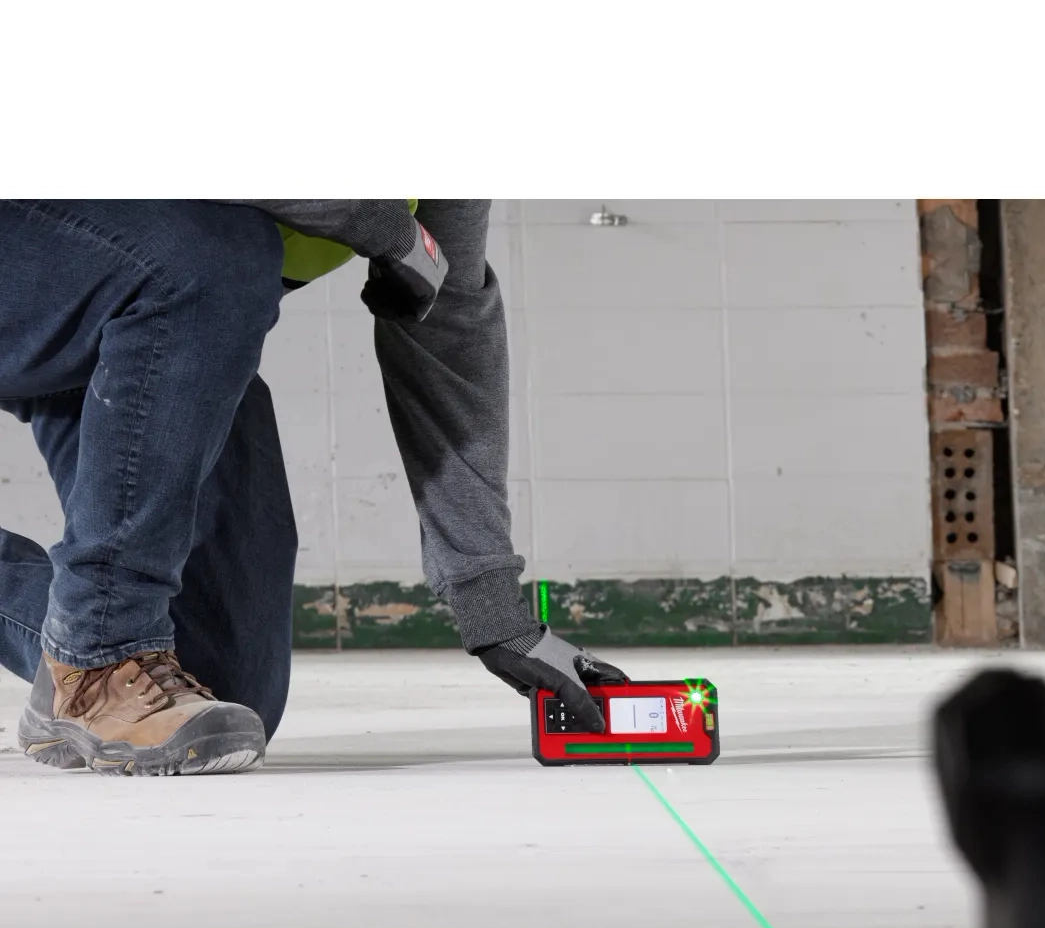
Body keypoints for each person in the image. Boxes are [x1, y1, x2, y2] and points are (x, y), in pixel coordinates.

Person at [0, 199, 624, 775]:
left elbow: (446, 317)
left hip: (138, 318)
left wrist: (492, 610)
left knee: (219, 692)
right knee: (216, 257)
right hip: (84, 258)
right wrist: (383, 225)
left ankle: (97, 656)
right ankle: (98, 656)